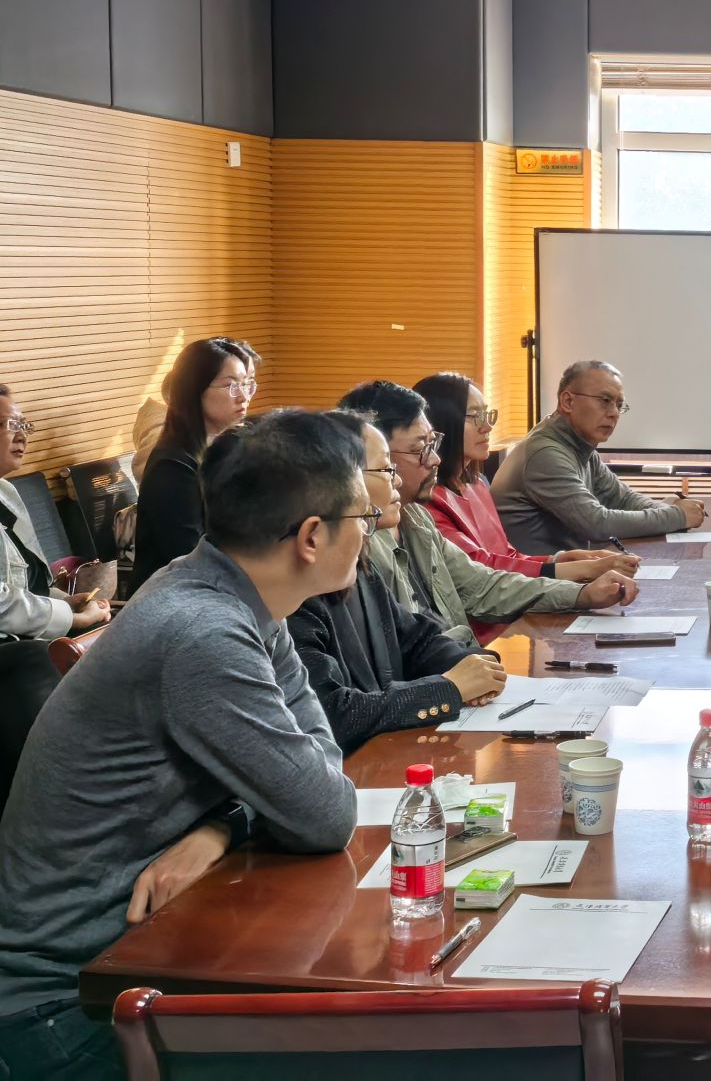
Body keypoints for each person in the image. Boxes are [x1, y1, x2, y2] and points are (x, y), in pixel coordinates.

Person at [0, 410, 359, 1081]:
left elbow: (318, 761)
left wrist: (223, 827)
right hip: (64, 1006)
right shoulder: (203, 630)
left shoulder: (234, 592)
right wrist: (251, 813)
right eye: (361, 515)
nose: (369, 530)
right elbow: (326, 812)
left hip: (146, 959)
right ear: (312, 536)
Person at [340, 381, 636, 646]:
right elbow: (411, 646)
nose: (434, 459)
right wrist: (571, 573)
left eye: (433, 444)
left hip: (468, 661)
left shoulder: (417, 517)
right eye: (421, 448)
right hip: (465, 663)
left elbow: (481, 584)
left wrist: (581, 594)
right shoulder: (360, 544)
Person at [288, 413, 507, 751]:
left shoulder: (357, 565)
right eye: (386, 469)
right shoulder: (292, 593)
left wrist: (472, 666)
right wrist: (448, 688)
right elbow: (331, 711)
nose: (398, 481)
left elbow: (415, 639)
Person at [414, 372, 632, 584]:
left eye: (487, 415)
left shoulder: (477, 484)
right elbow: (480, 570)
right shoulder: (427, 501)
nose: (487, 427)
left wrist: (559, 559)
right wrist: (577, 569)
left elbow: (506, 555)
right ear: (441, 423)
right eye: (475, 416)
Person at [492, 359, 704, 554]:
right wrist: (678, 516)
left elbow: (622, 499)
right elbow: (596, 524)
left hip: (572, 570)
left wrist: (667, 509)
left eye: (619, 405)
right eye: (605, 400)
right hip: (541, 578)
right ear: (567, 401)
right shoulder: (545, 454)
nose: (614, 413)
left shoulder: (579, 445)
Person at [129, 337, 259, 592]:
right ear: (194, 390)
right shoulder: (173, 467)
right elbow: (191, 560)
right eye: (230, 385)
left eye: (246, 384)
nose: (243, 396)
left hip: (218, 590)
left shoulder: (226, 451)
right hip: (176, 600)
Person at [0, 385, 112, 641]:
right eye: (10, 425)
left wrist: (66, 603)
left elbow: (33, 585)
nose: (22, 437)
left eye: (24, 426)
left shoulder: (7, 493)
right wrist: (70, 618)